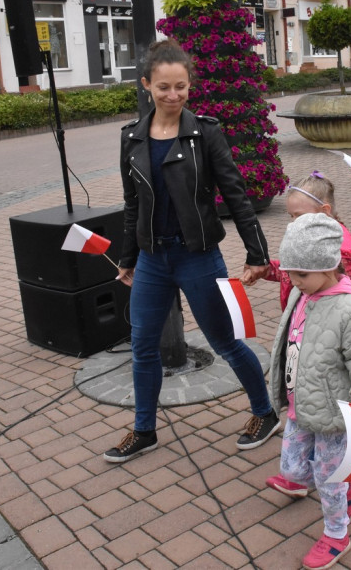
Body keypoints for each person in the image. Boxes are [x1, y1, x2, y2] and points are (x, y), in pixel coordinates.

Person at [107, 39, 279, 463]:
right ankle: (144, 430)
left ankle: (264, 412)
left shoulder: (206, 133)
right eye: (163, 87)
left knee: (225, 341)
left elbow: (236, 197)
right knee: (143, 345)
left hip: (198, 256)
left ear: (189, 85)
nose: (173, 95)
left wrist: (257, 254)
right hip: (152, 260)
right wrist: (128, 258)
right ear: (147, 84)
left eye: (180, 86)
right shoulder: (132, 138)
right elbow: (133, 205)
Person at [263, 213, 351, 570]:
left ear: (329, 265)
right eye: (291, 274)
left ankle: (337, 533)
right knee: (293, 468)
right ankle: (344, 483)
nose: (294, 282)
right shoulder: (303, 295)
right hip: (299, 405)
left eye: (301, 274)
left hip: (335, 414)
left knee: (328, 481)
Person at [261, 172, 351, 310]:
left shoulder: (339, 254)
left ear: (324, 211)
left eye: (299, 215)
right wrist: (268, 270)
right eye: (291, 216)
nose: (294, 222)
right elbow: (298, 268)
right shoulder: (310, 237)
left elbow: (345, 305)